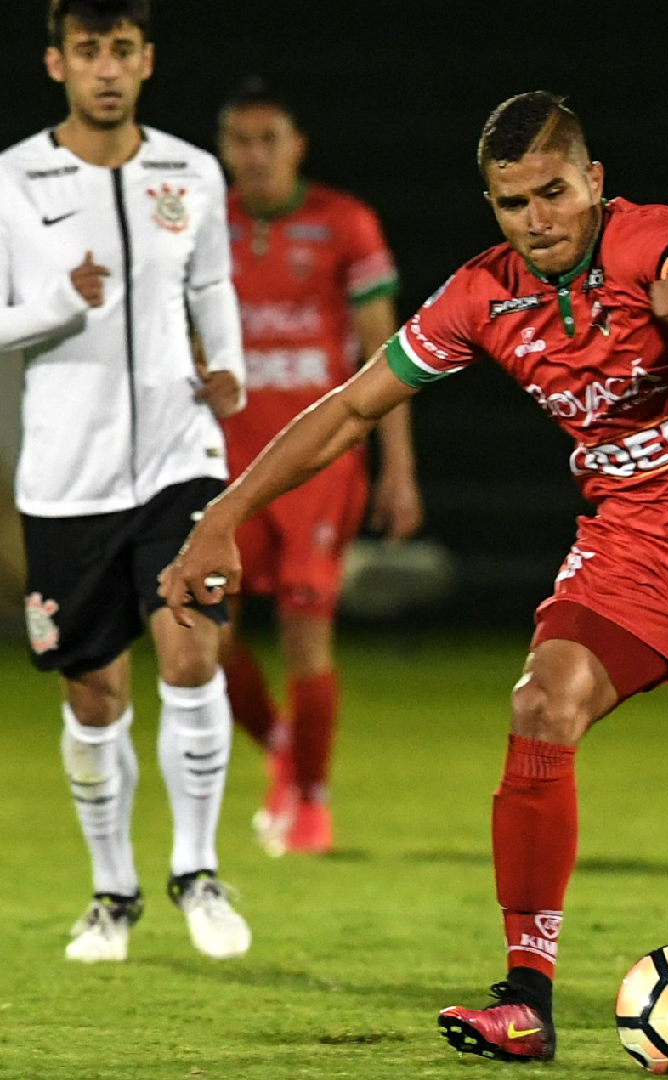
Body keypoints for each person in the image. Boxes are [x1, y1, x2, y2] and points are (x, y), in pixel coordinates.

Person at [161, 91, 668, 1062]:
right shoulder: (483, 295)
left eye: (554, 193)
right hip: (632, 547)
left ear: (593, 182)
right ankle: (526, 996)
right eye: (513, 203)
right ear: (492, 205)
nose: (538, 220)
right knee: (542, 703)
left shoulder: (644, 243)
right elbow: (348, 410)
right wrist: (222, 517)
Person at [0, 0, 250, 962]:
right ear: (57, 62)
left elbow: (213, 283)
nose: (106, 70)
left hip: (181, 461)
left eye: (123, 52)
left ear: (147, 60)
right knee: (95, 696)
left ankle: (198, 870)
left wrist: (221, 361)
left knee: (192, 654)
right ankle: (113, 891)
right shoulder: (18, 176)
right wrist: (63, 305)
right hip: (67, 477)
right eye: (88, 52)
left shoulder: (190, 170)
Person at [215, 77, 423, 856]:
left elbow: (389, 358)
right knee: (205, 639)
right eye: (241, 141)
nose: (256, 156)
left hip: (320, 465)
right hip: (227, 464)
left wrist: (398, 472)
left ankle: (311, 798)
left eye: (271, 140)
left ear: (297, 145)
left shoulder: (345, 224)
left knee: (306, 635)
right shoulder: (204, 227)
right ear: (224, 148)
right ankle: (278, 744)